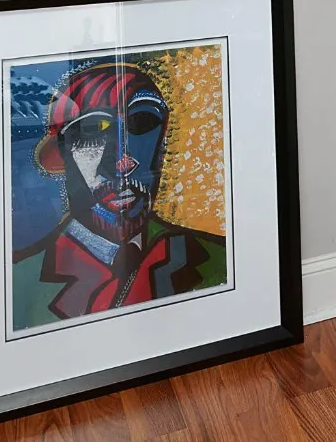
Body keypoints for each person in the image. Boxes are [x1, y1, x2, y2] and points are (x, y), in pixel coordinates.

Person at [11, 60, 224, 327]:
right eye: (92, 130)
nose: (124, 162)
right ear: (64, 152)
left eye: (142, 123)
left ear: (162, 144)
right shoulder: (19, 286)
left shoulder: (219, 259)